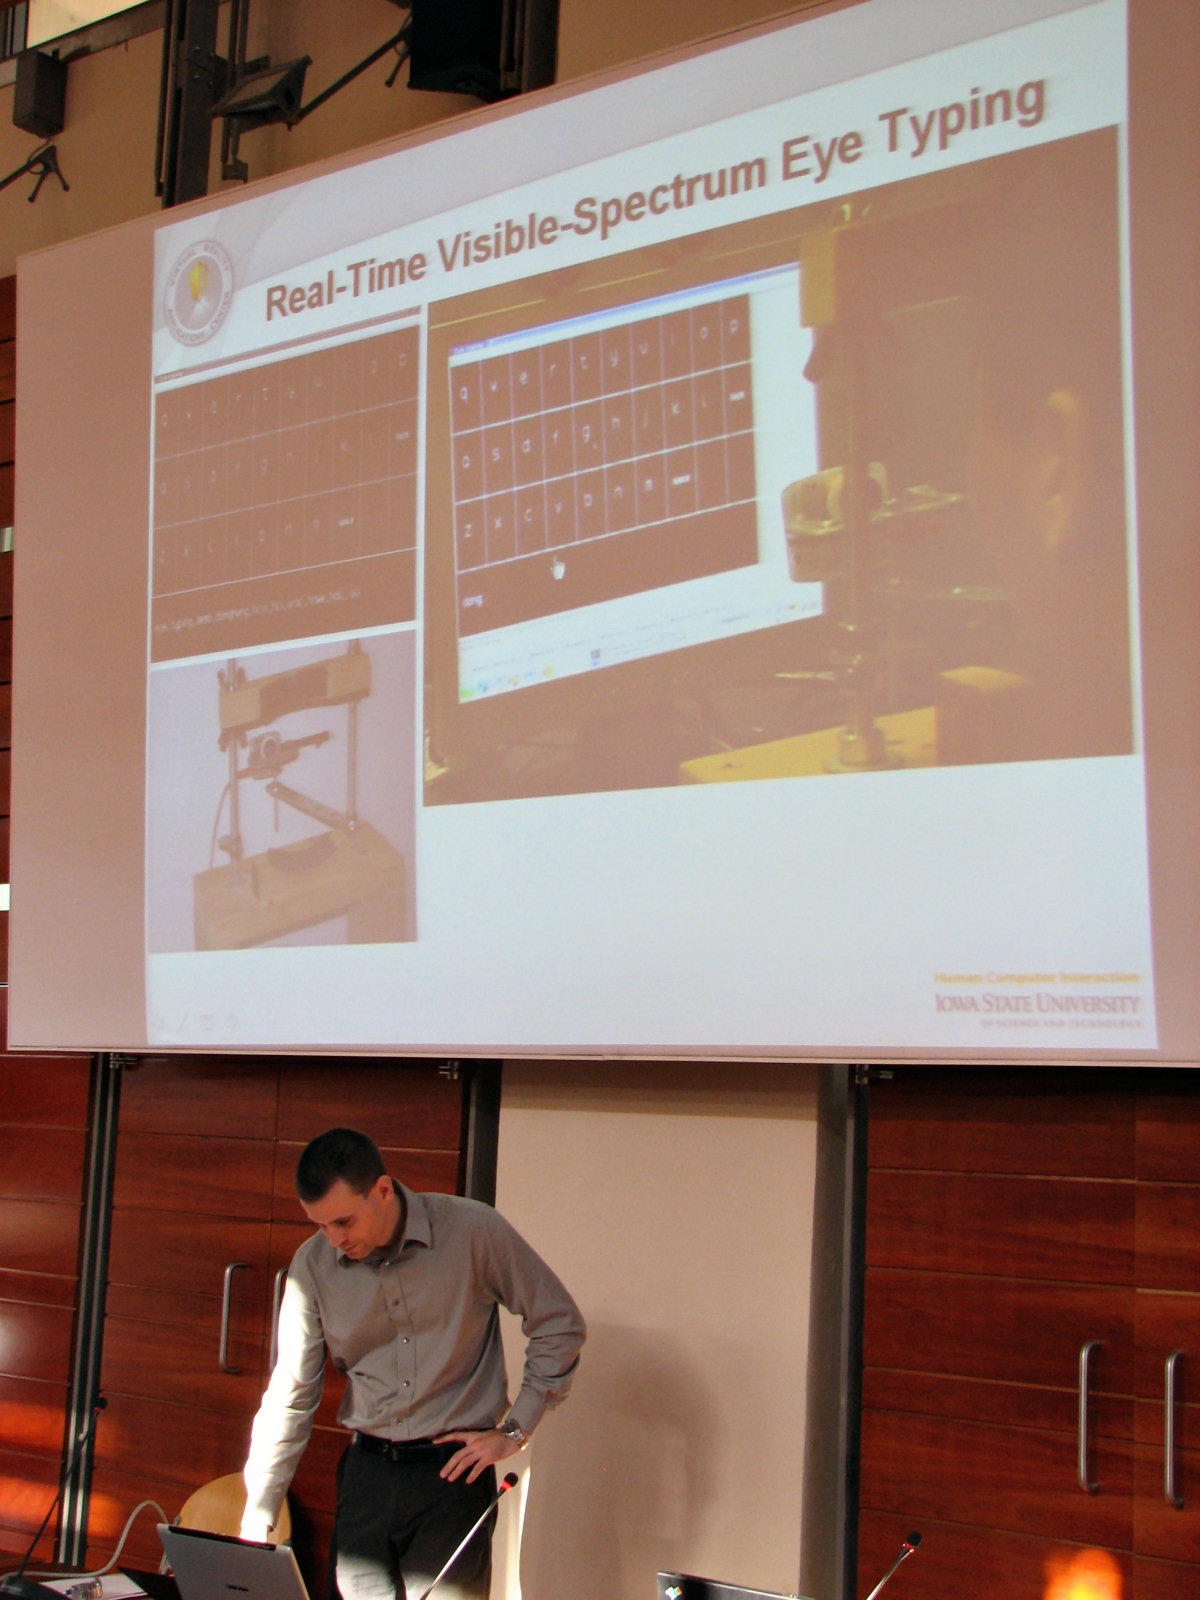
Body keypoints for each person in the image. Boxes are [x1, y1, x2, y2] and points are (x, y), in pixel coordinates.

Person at [240, 1127, 585, 1600]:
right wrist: (261, 1506)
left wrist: (515, 1430)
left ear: (383, 1190)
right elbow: (291, 1393)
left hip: (451, 1476)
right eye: (320, 1226)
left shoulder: (472, 1231)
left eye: (343, 1221)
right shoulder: (313, 1266)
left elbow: (559, 1323)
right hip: (366, 1475)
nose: (334, 1239)